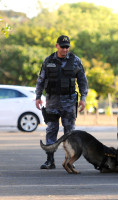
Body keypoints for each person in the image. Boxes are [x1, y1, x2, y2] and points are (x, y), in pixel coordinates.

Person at [35, 35, 88, 169]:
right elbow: (41, 80)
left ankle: (70, 161)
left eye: (67, 47)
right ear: (57, 46)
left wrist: (83, 98)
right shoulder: (48, 61)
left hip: (69, 102)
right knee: (51, 130)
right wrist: (38, 96)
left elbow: (82, 81)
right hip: (52, 102)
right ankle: (49, 160)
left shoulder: (75, 61)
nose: (65, 49)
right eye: (63, 47)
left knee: (70, 132)